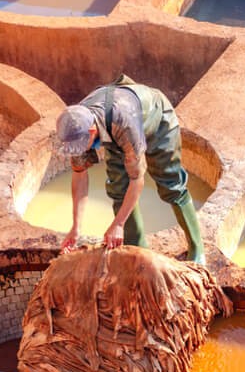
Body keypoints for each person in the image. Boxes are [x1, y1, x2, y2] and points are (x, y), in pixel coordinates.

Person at [54, 74, 205, 263]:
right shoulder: (76, 126)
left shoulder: (123, 124)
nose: (79, 151)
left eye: (82, 146)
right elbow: (80, 175)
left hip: (156, 122)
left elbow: (137, 180)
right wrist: (76, 227)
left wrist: (118, 224)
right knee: (118, 188)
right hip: (114, 132)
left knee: (170, 184)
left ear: (92, 132)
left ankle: (197, 248)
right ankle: (138, 252)